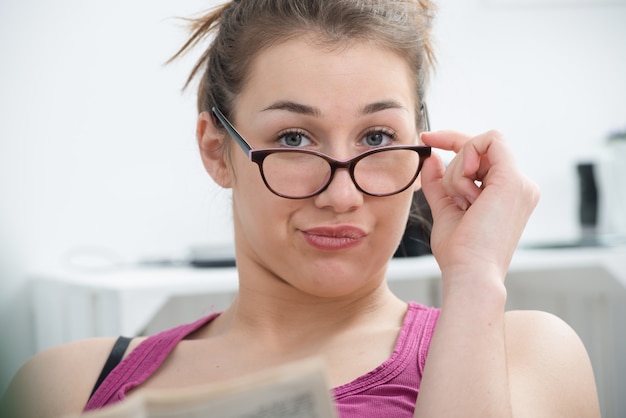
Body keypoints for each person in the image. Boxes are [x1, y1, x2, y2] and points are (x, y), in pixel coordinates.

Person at [0, 0, 601, 417]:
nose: (342, 195)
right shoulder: (67, 385)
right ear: (217, 151)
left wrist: (473, 279)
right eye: (293, 139)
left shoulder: (523, 356)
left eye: (375, 139)